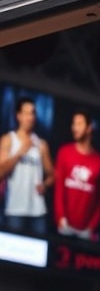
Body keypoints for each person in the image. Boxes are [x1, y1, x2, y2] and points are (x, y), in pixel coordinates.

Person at [0, 96, 54, 235]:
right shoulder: (8, 140)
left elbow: (52, 174)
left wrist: (45, 185)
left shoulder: (41, 144)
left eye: (33, 113)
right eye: (27, 113)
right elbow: (1, 172)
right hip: (15, 208)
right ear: (19, 116)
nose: (30, 117)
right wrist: (20, 153)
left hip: (37, 210)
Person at [54, 110, 100, 241]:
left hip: (86, 232)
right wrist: (60, 218)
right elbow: (59, 188)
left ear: (89, 128)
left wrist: (92, 227)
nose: (74, 128)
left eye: (79, 124)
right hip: (65, 226)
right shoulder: (64, 152)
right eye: (73, 124)